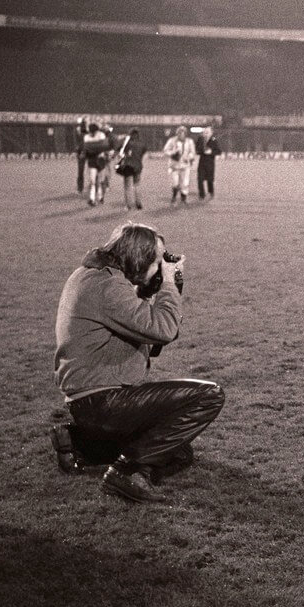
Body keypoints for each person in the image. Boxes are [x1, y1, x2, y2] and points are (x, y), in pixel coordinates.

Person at [52, 222, 225, 503]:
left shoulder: (91, 276)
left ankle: (81, 444)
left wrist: (150, 289)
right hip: (103, 402)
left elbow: (144, 334)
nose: (161, 267)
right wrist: (169, 284)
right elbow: (164, 330)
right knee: (209, 395)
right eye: (157, 261)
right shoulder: (108, 288)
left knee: (177, 451)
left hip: (89, 402)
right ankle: (125, 471)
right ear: (139, 259)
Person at [81, 122, 114, 206]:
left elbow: (103, 146)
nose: (92, 133)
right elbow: (87, 148)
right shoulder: (87, 137)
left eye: (93, 131)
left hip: (100, 160)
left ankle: (100, 197)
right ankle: (92, 199)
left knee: (100, 181)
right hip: (92, 160)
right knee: (92, 181)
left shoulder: (101, 135)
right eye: (91, 132)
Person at [163, 126, 196, 204]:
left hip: (185, 165)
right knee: (175, 182)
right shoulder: (172, 140)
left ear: (185, 133)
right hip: (174, 165)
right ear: (177, 133)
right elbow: (165, 150)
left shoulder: (189, 141)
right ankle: (174, 197)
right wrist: (173, 152)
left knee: (185, 183)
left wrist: (188, 157)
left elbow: (192, 152)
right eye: (180, 132)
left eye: (183, 132)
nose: (181, 134)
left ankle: (183, 199)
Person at [116, 128, 147, 210]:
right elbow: (143, 152)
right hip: (138, 166)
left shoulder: (126, 142)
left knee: (127, 187)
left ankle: (128, 205)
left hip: (128, 166)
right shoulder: (142, 143)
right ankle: (138, 203)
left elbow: (119, 149)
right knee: (137, 185)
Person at [195, 125, 223, 200]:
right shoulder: (200, 140)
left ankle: (211, 192)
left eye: (207, 132)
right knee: (200, 179)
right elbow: (197, 150)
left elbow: (219, 151)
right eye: (205, 132)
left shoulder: (214, 140)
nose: (205, 133)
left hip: (210, 163)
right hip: (202, 163)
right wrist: (202, 151)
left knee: (210, 180)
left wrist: (211, 152)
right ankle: (202, 195)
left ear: (211, 133)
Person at [75, 116, 88, 194]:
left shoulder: (84, 131)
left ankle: (80, 188)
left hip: (85, 151)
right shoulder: (81, 131)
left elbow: (83, 143)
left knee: (81, 171)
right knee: (81, 171)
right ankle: (80, 188)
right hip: (83, 151)